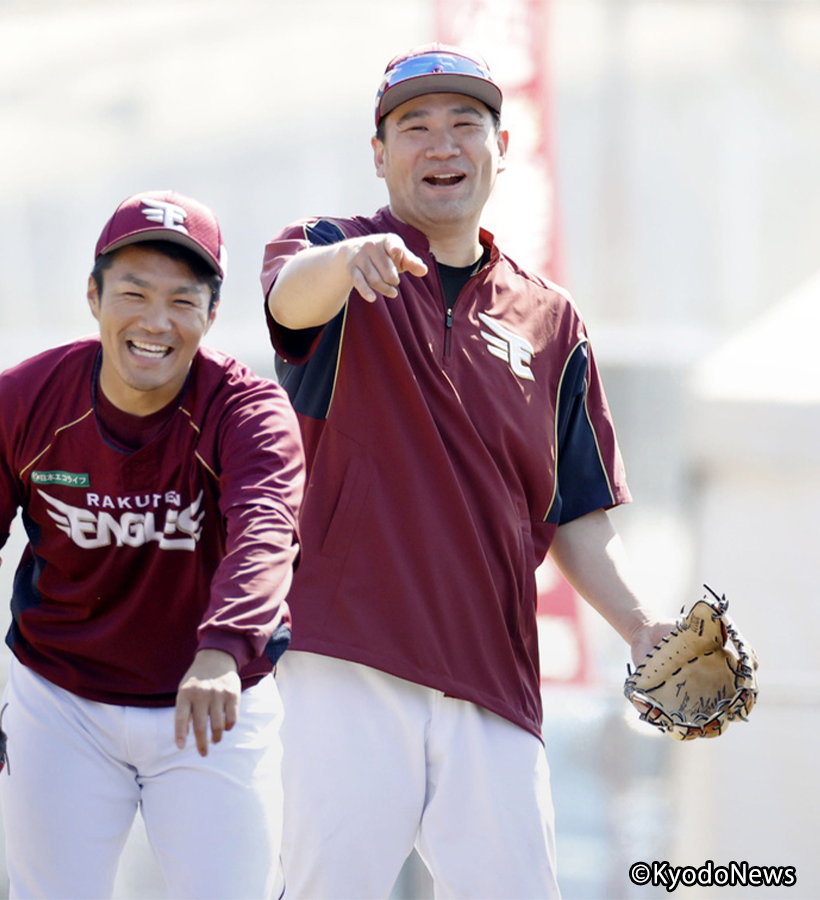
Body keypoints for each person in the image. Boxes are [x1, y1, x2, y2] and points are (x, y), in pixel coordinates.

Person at [261, 44, 677, 899]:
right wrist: (346, 267)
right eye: (414, 127)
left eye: (464, 125)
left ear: (501, 145)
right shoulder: (331, 250)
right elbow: (286, 302)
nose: (441, 145)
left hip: (494, 679)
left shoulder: (552, 320)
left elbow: (577, 514)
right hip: (347, 659)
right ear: (379, 154)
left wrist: (641, 629)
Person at [0, 190, 306, 898]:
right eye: (133, 292)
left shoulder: (246, 412)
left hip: (212, 702)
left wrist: (224, 646)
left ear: (212, 316)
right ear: (93, 296)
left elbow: (266, 529)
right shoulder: (27, 400)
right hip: (63, 701)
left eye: (183, 301)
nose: (156, 322)